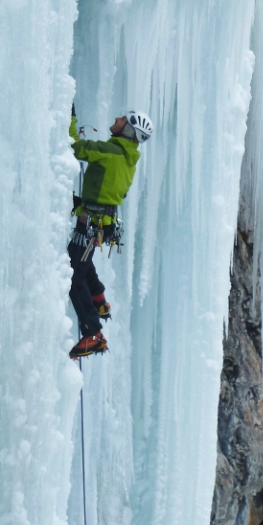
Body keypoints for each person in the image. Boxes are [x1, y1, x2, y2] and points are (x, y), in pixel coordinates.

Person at [68, 107, 153, 359]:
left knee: (74, 273)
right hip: (101, 222)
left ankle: (93, 332)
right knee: (81, 262)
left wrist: (69, 118)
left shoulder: (111, 152)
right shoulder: (129, 159)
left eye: (123, 120)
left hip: (92, 222)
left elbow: (75, 149)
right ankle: (99, 298)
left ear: (128, 130)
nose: (117, 119)